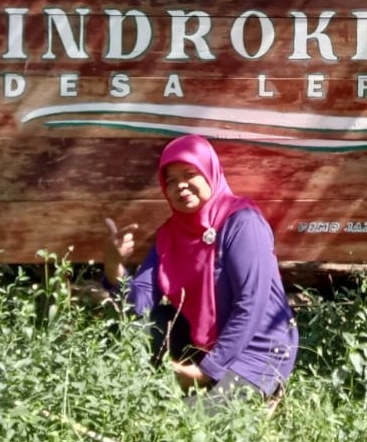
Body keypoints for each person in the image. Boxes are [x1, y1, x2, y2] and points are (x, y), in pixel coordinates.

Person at [102, 134, 298, 406]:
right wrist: (113, 265)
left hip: (258, 348)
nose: (180, 185)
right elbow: (139, 305)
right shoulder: (171, 234)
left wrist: (206, 371)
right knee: (142, 327)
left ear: (210, 172)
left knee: (191, 423)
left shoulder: (242, 222)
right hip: (203, 344)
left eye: (189, 174)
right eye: (170, 181)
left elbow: (251, 304)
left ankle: (266, 391)